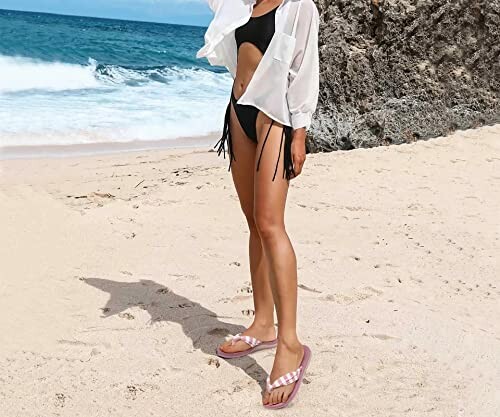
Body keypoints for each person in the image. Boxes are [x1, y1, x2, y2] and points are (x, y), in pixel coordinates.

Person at [196, 0, 320, 409]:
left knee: (271, 224)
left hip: (275, 117)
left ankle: (290, 343)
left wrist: (300, 132)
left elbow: (304, 66)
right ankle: (263, 323)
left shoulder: (300, 6)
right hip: (238, 110)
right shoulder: (240, 3)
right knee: (253, 222)